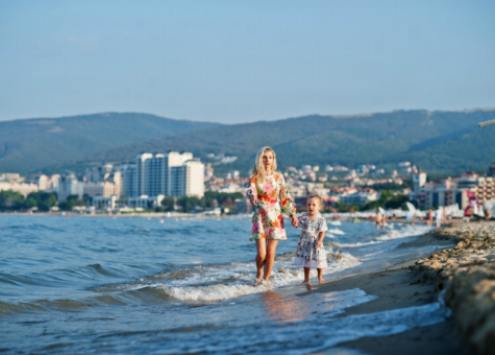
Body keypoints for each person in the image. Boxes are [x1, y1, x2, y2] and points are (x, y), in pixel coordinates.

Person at [247, 146, 298, 286]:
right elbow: (252, 195)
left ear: (274, 159)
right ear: (259, 159)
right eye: (264, 157)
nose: (267, 160)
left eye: (270, 157)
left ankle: (265, 280)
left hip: (275, 218)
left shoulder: (278, 177)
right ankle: (259, 272)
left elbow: (284, 197)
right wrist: (252, 198)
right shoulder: (254, 178)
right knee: (261, 254)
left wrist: (293, 214)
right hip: (260, 218)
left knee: (271, 253)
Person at [294, 194, 328, 290]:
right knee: (306, 262)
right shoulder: (304, 217)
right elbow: (296, 224)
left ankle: (320, 276)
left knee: (319, 261)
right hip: (305, 242)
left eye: (314, 205)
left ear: (319, 207)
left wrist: (320, 241)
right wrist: (293, 219)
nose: (311, 207)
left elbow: (323, 231)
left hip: (316, 242)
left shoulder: (321, 219)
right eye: (309, 204)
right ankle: (306, 279)